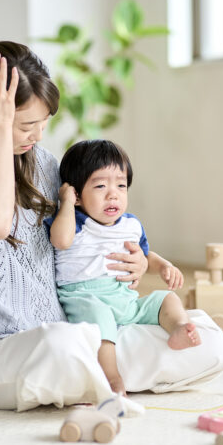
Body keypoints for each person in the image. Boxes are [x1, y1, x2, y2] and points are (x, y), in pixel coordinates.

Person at [0, 40, 223, 413]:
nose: (37, 136)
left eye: (43, 123)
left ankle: (94, 380)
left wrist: (139, 262)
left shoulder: (43, 165)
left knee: (209, 340)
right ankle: (92, 379)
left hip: (80, 333)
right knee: (61, 347)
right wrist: (0, 130)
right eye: (25, 125)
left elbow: (95, 229)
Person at [46, 139, 201, 395]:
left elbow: (144, 255)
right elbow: (60, 240)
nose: (113, 194)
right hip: (86, 297)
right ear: (76, 194)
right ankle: (111, 377)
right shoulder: (74, 222)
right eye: (100, 186)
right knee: (101, 318)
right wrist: (66, 205)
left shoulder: (130, 225)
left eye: (121, 185)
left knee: (167, 299)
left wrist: (162, 266)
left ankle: (180, 329)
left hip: (125, 299)